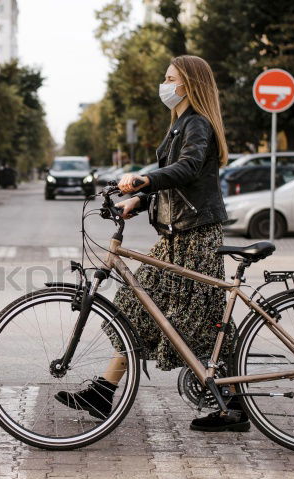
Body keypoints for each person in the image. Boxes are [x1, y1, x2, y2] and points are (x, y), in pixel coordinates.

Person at [53, 55, 246, 432]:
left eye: (170, 78)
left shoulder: (198, 124)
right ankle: (104, 391)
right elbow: (177, 184)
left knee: (203, 320)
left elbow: (188, 169)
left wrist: (143, 179)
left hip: (196, 237)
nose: (165, 83)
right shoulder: (180, 125)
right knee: (134, 308)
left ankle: (233, 404)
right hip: (175, 237)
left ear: (188, 84)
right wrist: (138, 201)